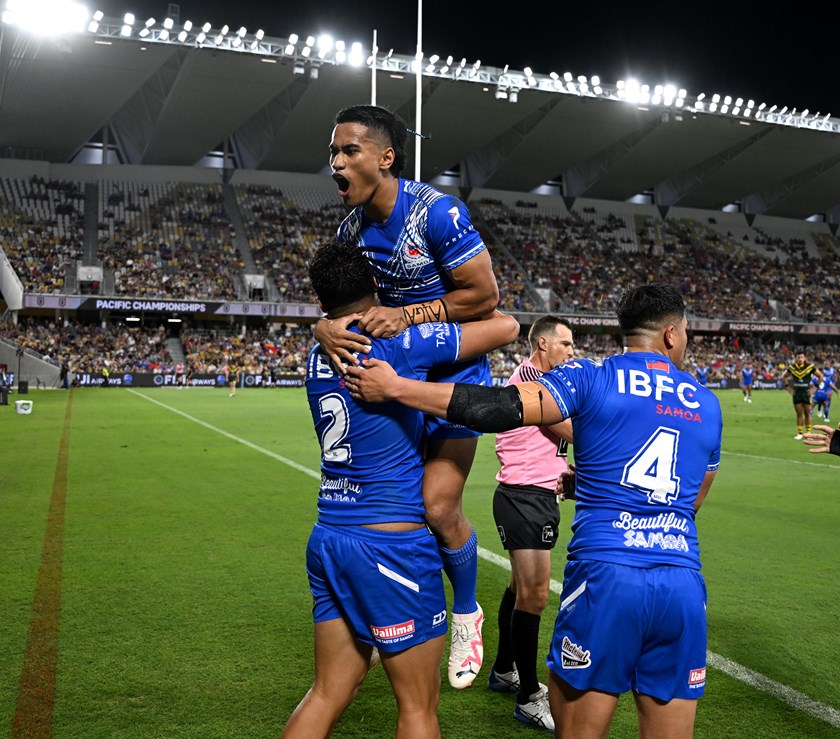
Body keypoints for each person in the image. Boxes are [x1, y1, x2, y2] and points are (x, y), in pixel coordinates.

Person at [345, 284, 723, 738]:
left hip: (608, 577)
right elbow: (688, 499)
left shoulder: (590, 376)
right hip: (681, 584)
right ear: (670, 335)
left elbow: (498, 408)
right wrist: (593, 484)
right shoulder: (708, 404)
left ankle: (520, 686)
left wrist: (398, 387)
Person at [282, 241, 518, 737]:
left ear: (322, 304)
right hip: (390, 544)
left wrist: (322, 326)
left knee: (327, 693)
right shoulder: (399, 343)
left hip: (330, 536)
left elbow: (330, 325)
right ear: (376, 287)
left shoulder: (315, 353)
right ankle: (466, 613)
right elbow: (505, 327)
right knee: (417, 708)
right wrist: (409, 313)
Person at [316, 104, 501, 688]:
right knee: (395, 509)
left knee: (439, 506)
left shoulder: (437, 213)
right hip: (393, 378)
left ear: (385, 158)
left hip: (454, 376)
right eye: (333, 153)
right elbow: (341, 299)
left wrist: (409, 314)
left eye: (348, 151)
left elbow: (487, 299)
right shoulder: (349, 229)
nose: (336, 163)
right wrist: (319, 326)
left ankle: (466, 611)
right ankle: (400, 617)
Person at [487, 316, 575, 732]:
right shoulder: (533, 385)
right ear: (543, 343)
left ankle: (505, 670)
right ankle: (528, 698)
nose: (571, 351)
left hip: (532, 494)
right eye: (566, 344)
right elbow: (572, 431)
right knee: (536, 596)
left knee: (519, 588)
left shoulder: (541, 380)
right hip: (524, 497)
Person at [782, 352, 823, 439]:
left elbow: (820, 376)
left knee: (807, 413)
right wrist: (788, 388)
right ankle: (800, 433)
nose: (800, 359)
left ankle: (808, 433)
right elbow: (784, 377)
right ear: (796, 359)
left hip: (806, 393)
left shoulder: (810, 367)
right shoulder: (792, 367)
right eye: (798, 357)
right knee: (799, 414)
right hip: (797, 394)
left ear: (804, 358)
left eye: (802, 357)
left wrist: (815, 388)